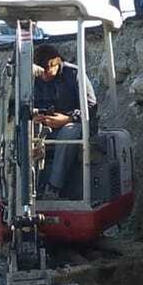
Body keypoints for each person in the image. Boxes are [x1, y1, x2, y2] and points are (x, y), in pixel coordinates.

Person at [31, 42, 96, 200]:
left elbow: (91, 106)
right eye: (41, 74)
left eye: (47, 71)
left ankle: (53, 187)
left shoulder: (74, 74)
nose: (44, 77)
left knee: (68, 132)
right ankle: (27, 187)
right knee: (22, 133)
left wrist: (68, 119)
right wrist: (34, 116)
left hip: (76, 125)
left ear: (57, 62)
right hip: (47, 127)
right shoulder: (37, 79)